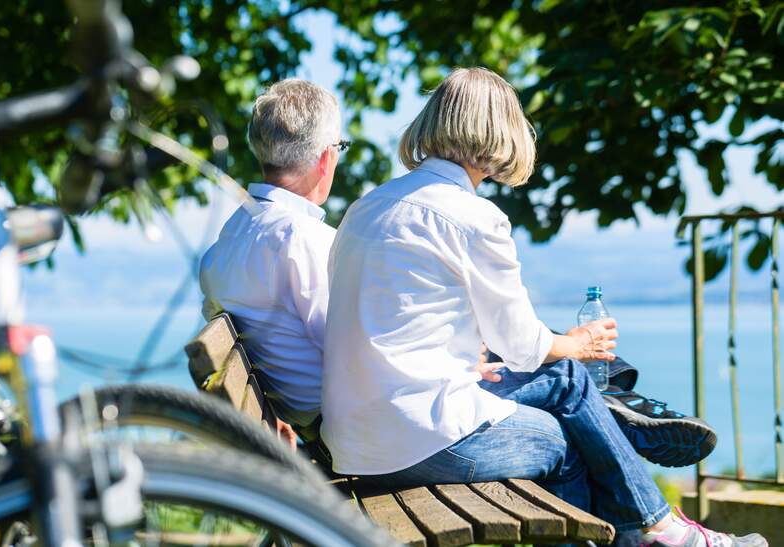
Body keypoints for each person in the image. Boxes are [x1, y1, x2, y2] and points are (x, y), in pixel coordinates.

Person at [320, 68, 766, 547]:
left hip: (356, 440)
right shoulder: (474, 218)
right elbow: (522, 346)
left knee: (569, 384)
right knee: (567, 432)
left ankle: (658, 527)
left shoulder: (368, 206)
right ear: (501, 132)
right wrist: (578, 342)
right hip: (418, 440)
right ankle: (661, 529)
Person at [200, 78, 345, 437]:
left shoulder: (229, 240)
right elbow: (358, 349)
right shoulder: (305, 239)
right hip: (352, 431)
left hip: (313, 424)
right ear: (326, 157)